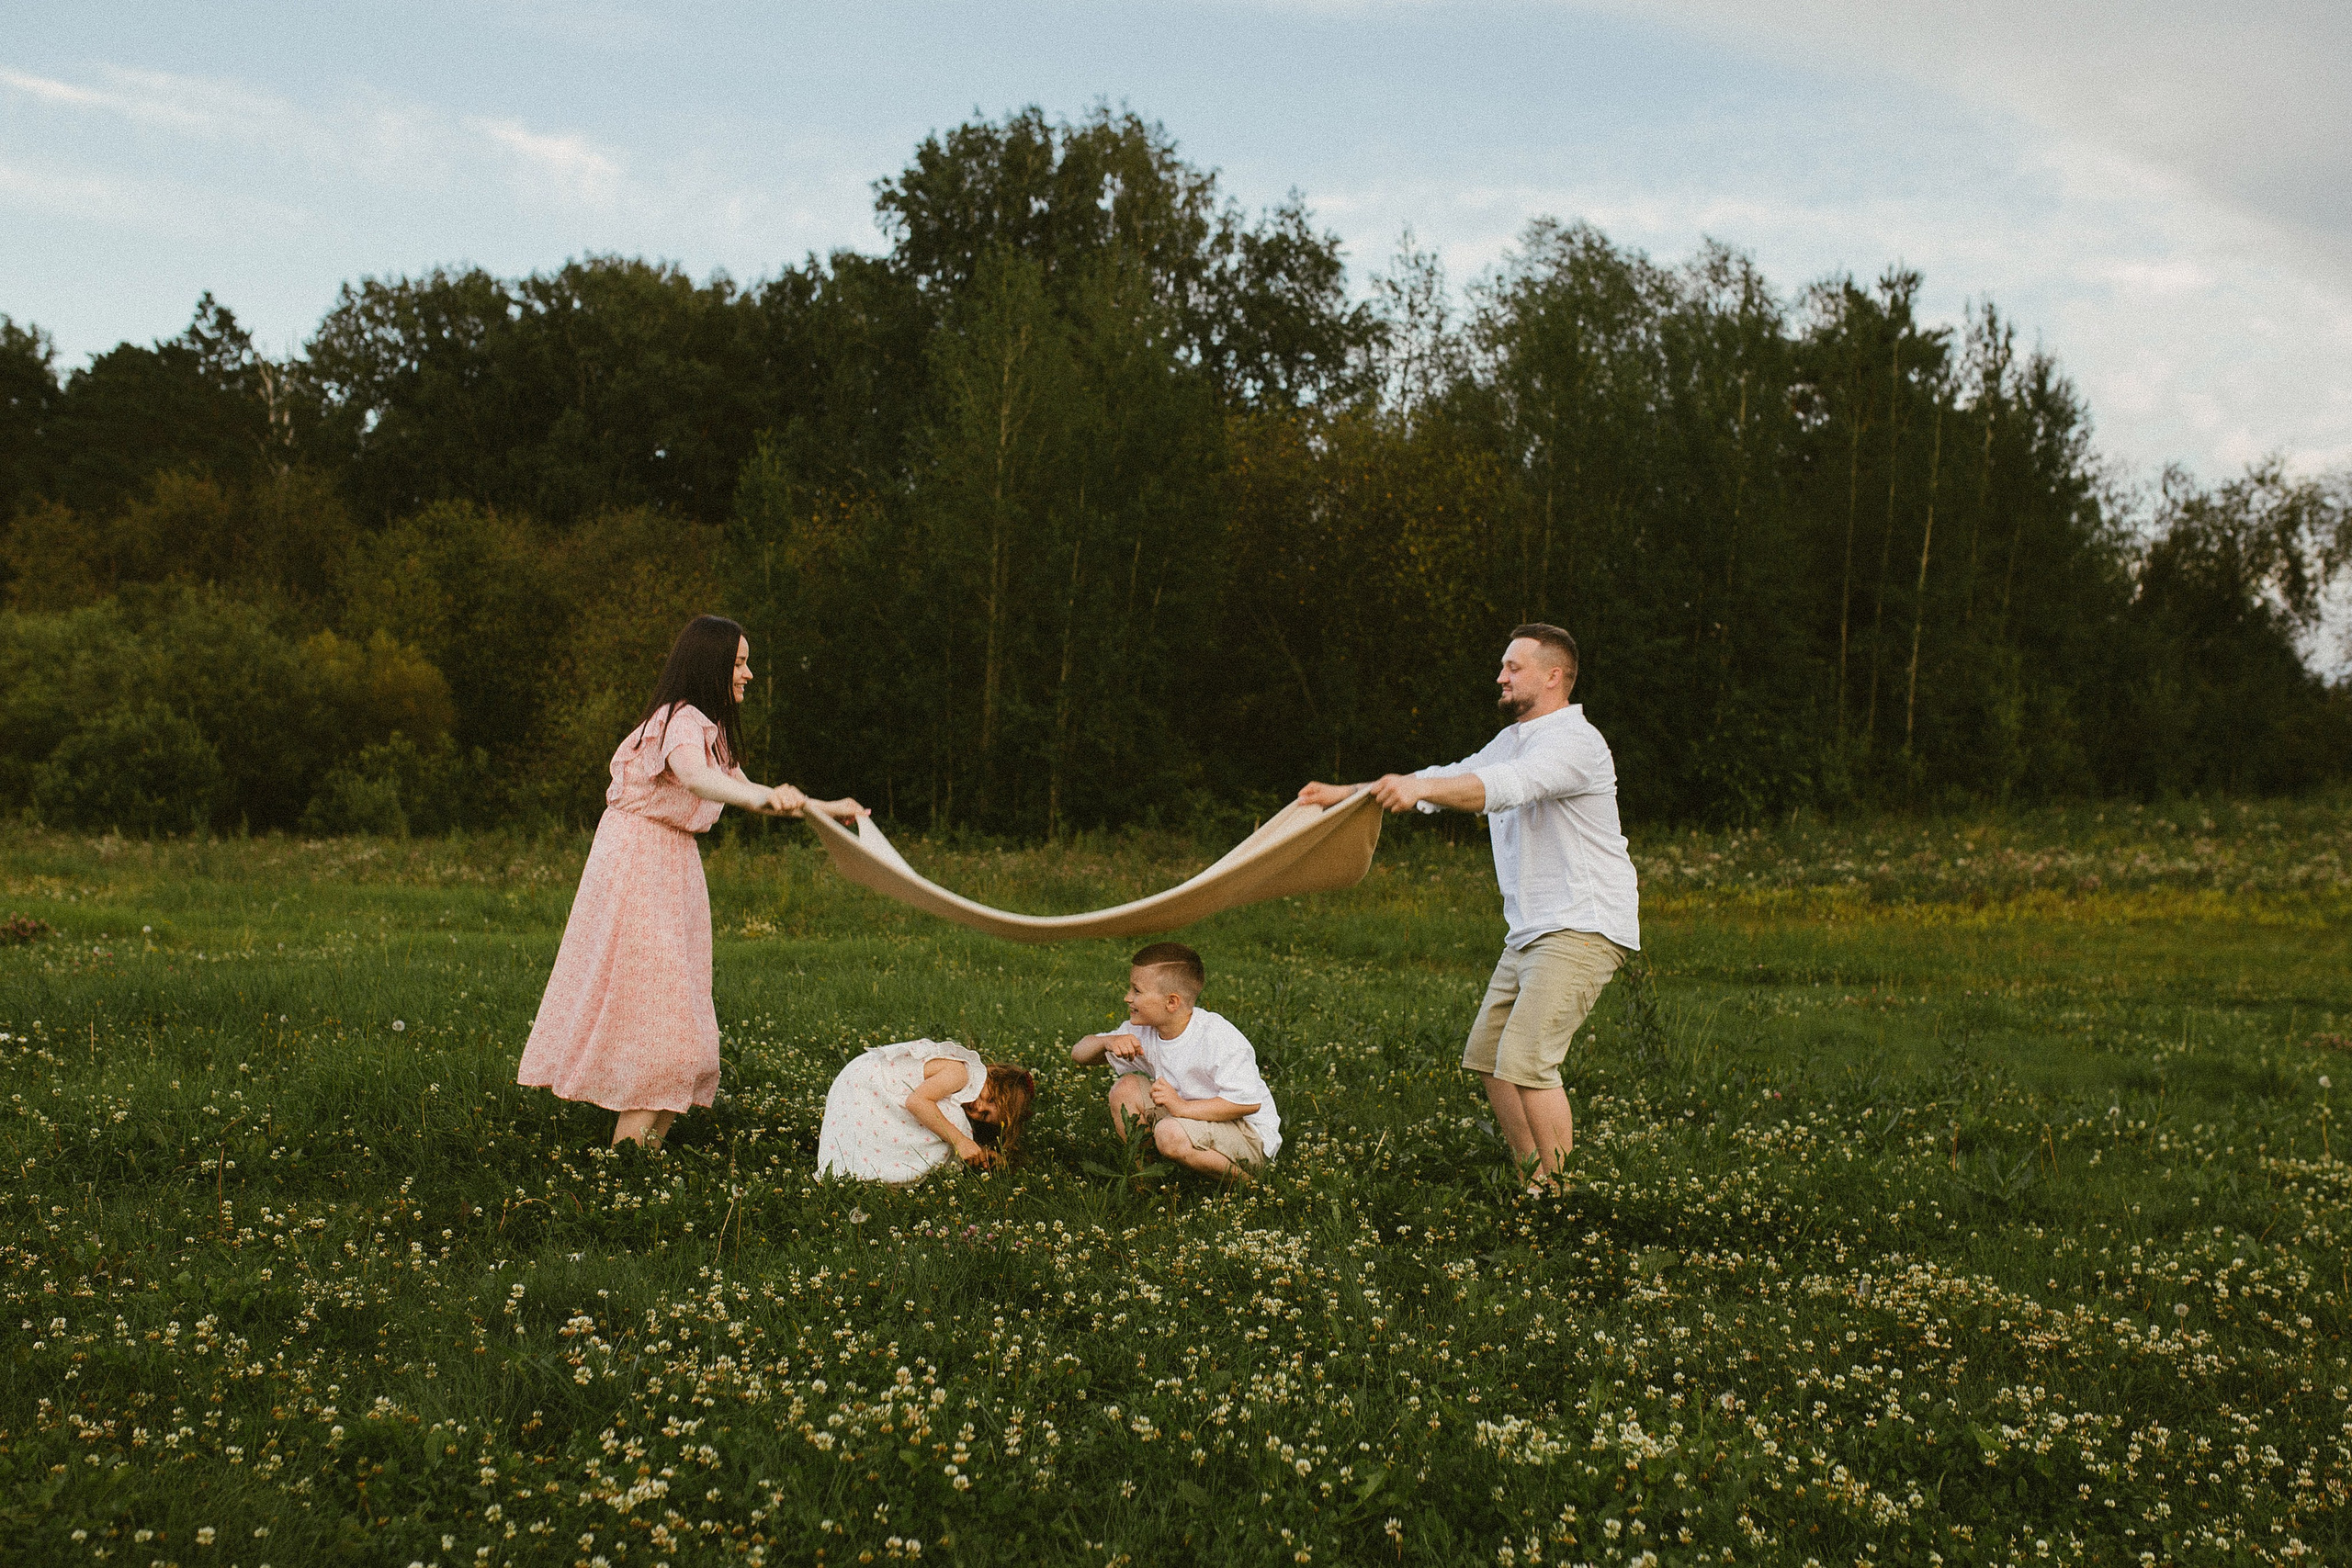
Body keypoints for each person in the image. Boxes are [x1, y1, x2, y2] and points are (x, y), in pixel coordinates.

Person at [1296, 623, 1638, 1186]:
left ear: (1554, 676)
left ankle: (1563, 1194)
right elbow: (1446, 777)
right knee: (1489, 1056)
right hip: (1531, 930)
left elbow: (1500, 787)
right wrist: (1351, 794)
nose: (1500, 676)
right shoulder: (1515, 739)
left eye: (1514, 667)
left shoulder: (1576, 743)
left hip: (1583, 924)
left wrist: (1422, 790)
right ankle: (1534, 1178)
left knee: (1528, 1062)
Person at [517, 614, 866, 1148]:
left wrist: (827, 808)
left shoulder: (712, 731)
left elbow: (756, 792)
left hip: (671, 863)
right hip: (637, 861)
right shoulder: (678, 719)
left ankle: (639, 1154)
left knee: (678, 1006)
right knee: (659, 1009)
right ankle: (628, 1158)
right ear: (712, 665)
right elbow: (696, 779)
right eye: (740, 662)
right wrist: (765, 796)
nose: (748, 673)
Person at [1069, 942, 1281, 1180]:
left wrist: (1182, 1108)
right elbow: (1079, 1054)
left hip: (1247, 1137)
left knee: (1169, 1132)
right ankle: (1146, 1178)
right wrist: (1106, 1042)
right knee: (1124, 1089)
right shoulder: (1145, 1030)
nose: (1127, 998)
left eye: (1136, 991)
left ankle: (1249, 1185)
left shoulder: (1216, 1036)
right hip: (1191, 1121)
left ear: (1171, 1002)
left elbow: (1247, 1104)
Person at [815, 1040, 1038, 1183]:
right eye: (988, 1097)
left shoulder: (966, 1090)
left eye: (986, 1115)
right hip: (866, 1085)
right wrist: (960, 1141)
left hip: (860, 1083)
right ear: (991, 1075)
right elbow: (916, 1102)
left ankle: (877, 1170)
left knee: (952, 1123)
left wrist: (979, 1151)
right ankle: (896, 1176)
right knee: (952, 1124)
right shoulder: (959, 1072)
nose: (979, 1107)